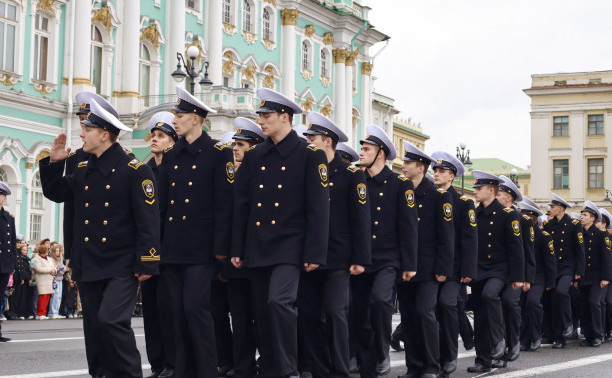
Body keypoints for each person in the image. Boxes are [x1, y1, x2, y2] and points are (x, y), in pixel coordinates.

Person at [40, 98, 161, 377]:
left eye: (86, 128)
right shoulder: (84, 167)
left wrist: (147, 262)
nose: (81, 133)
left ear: (103, 133)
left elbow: (148, 220)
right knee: (94, 328)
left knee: (111, 322)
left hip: (122, 265)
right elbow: (58, 193)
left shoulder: (134, 170)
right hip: (89, 262)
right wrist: (53, 164)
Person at [231, 88, 330, 378]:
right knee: (262, 312)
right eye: (260, 115)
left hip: (291, 246)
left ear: (285, 117)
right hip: (259, 245)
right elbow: (242, 207)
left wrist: (314, 252)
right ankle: (273, 368)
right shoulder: (255, 155)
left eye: (267, 115)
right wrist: (237, 248)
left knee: (279, 302)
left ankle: (289, 369)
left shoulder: (309, 155)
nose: (261, 121)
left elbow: (318, 209)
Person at [157, 85, 233, 378]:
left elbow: (224, 206)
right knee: (176, 313)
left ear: (196, 119)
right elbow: (161, 206)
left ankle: (206, 371)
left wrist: (221, 250)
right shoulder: (173, 154)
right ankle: (183, 370)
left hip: (202, 250)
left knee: (195, 310)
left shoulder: (217, 153)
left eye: (180, 114)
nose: (175, 119)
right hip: (174, 248)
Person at [299, 112, 371, 377]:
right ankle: (319, 369)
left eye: (313, 138)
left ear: (327, 141)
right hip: (309, 256)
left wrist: (360, 258)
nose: (309, 143)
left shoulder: (350, 176)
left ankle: (340, 370)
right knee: (308, 315)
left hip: (339, 258)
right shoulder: (307, 171)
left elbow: (360, 220)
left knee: (335, 312)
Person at [351, 125, 418, 378]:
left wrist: (409, 264)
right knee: (360, 312)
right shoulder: (357, 179)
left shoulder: (400, 184)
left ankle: (382, 351)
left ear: (380, 153)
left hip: (388, 259)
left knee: (380, 301)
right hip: (361, 258)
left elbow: (409, 226)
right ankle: (366, 361)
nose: (362, 152)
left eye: (366, 149)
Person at [397, 142, 454, 378]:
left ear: (420, 167)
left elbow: (446, 237)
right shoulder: (402, 191)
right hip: (404, 266)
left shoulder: (437, 196)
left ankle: (431, 366)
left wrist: (443, 268)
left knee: (424, 313)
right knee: (408, 317)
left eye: (408, 163)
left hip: (429, 268)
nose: (403, 166)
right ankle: (414, 366)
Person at [467, 171, 524, 374]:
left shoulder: (508, 215)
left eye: (479, 188)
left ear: (491, 190)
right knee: (480, 314)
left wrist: (518, 277)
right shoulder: (475, 213)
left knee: (489, 295)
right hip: (478, 269)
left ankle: (500, 338)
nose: (475, 191)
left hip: (499, 268)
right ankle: (483, 359)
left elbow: (516, 248)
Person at [224, 117, 265, 378]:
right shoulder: (227, 175)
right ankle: (243, 366)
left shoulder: (263, 175)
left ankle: (267, 361)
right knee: (238, 317)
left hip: (258, 256)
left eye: (241, 144)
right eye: (234, 144)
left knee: (262, 316)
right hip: (234, 258)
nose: (235, 149)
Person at [430, 151, 478, 377]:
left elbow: (469, 239)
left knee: (448, 305)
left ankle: (449, 357)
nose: (436, 174)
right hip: (431, 267)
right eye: (435, 171)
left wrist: (467, 271)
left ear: (452, 176)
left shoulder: (463, 203)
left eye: (441, 171)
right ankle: (434, 358)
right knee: (433, 310)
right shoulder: (428, 197)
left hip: (455, 269)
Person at [142, 111, 177, 378]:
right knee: (151, 311)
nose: (155, 139)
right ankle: (157, 364)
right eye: (153, 135)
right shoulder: (145, 172)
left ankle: (173, 363)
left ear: (172, 142)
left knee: (170, 310)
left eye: (161, 136)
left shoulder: (176, 171)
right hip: (149, 253)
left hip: (171, 251)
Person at [494, 175, 536, 366]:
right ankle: (499, 348)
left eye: (499, 193)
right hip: (496, 272)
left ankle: (514, 342)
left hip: (515, 274)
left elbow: (528, 252)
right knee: (496, 308)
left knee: (510, 304)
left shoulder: (523, 220)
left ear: (509, 198)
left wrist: (527, 278)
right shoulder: (492, 215)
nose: (496, 195)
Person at [543, 193, 585, 349]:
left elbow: (579, 249)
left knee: (561, 292)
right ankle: (559, 337)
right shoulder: (548, 225)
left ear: (560, 208)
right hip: (553, 268)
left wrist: (579, 271)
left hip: (568, 267)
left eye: (552, 207)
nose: (550, 209)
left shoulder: (574, 224)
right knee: (554, 301)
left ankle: (568, 323)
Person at [518, 198, 556, 352]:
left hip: (539, 277)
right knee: (522, 306)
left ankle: (535, 336)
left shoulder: (543, 236)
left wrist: (550, 282)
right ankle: (523, 338)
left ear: (532, 218)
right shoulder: (518, 234)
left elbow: (550, 261)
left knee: (533, 303)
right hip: (522, 275)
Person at [578, 201, 611, 347]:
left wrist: (606, 277)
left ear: (592, 218)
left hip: (598, 277)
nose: (582, 217)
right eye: (582, 215)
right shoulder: (579, 235)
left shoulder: (601, 235)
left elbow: (607, 258)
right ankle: (588, 335)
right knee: (584, 305)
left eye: (585, 215)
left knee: (594, 302)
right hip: (584, 276)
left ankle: (598, 335)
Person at [0, 181, 16, 341]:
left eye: (1, 195)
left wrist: (12, 264)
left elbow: (11, 241)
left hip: (4, 264)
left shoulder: (9, 218)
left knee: (0, 298)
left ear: (4, 198)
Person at [32, 244, 56, 319]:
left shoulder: (48, 258)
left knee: (47, 296)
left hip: (49, 280)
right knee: (43, 296)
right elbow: (38, 269)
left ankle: (43, 313)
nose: (47, 252)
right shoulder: (37, 259)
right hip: (41, 280)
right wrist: (50, 270)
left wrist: (54, 270)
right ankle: (39, 314)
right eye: (46, 251)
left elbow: (53, 267)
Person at [14, 244, 33, 319]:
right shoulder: (20, 258)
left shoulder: (27, 258)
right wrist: (28, 278)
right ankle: (20, 313)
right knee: (22, 297)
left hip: (28, 280)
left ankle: (26, 313)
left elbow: (29, 269)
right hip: (24, 280)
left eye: (26, 250)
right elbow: (23, 270)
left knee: (27, 297)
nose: (26, 251)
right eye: (24, 250)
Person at [47, 244, 66, 319]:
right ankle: (52, 312)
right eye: (56, 251)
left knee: (59, 296)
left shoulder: (60, 259)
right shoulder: (51, 259)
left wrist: (60, 269)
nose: (57, 253)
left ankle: (56, 312)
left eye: (58, 251)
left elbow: (63, 269)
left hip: (60, 279)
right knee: (55, 296)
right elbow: (55, 270)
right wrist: (60, 269)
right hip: (54, 279)